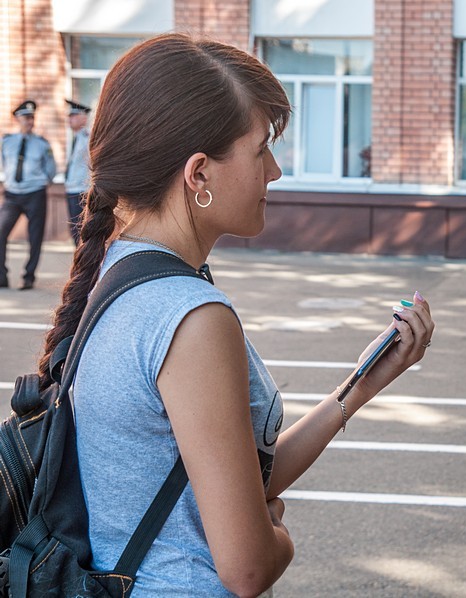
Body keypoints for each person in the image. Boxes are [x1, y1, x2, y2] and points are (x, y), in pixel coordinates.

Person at [37, 34, 435, 597]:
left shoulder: (124, 275)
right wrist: (278, 533)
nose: (275, 170)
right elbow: (247, 569)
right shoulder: (191, 316)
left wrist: (361, 385)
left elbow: (241, 476)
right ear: (199, 174)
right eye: (260, 150)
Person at [0, 99, 56, 289]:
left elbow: (51, 170)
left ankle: (28, 277)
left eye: (32, 117)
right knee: (1, 231)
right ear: (17, 119)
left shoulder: (42, 144)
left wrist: (38, 182)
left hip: (35, 194)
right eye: (25, 117)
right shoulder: (6, 141)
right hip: (12, 195)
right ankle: (2, 276)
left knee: (35, 237)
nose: (29, 121)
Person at [64, 98, 91, 243]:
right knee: (74, 229)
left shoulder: (88, 138)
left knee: (81, 229)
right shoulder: (73, 138)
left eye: (74, 115)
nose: (70, 119)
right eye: (69, 115)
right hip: (71, 188)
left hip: (82, 189)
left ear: (84, 118)